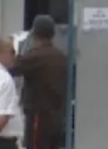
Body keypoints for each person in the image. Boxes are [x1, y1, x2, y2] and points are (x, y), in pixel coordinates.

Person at [11, 15, 68, 149]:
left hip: (39, 115)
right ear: (53, 34)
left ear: (34, 34)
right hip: (58, 114)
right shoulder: (61, 56)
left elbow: (11, 67)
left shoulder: (36, 56)